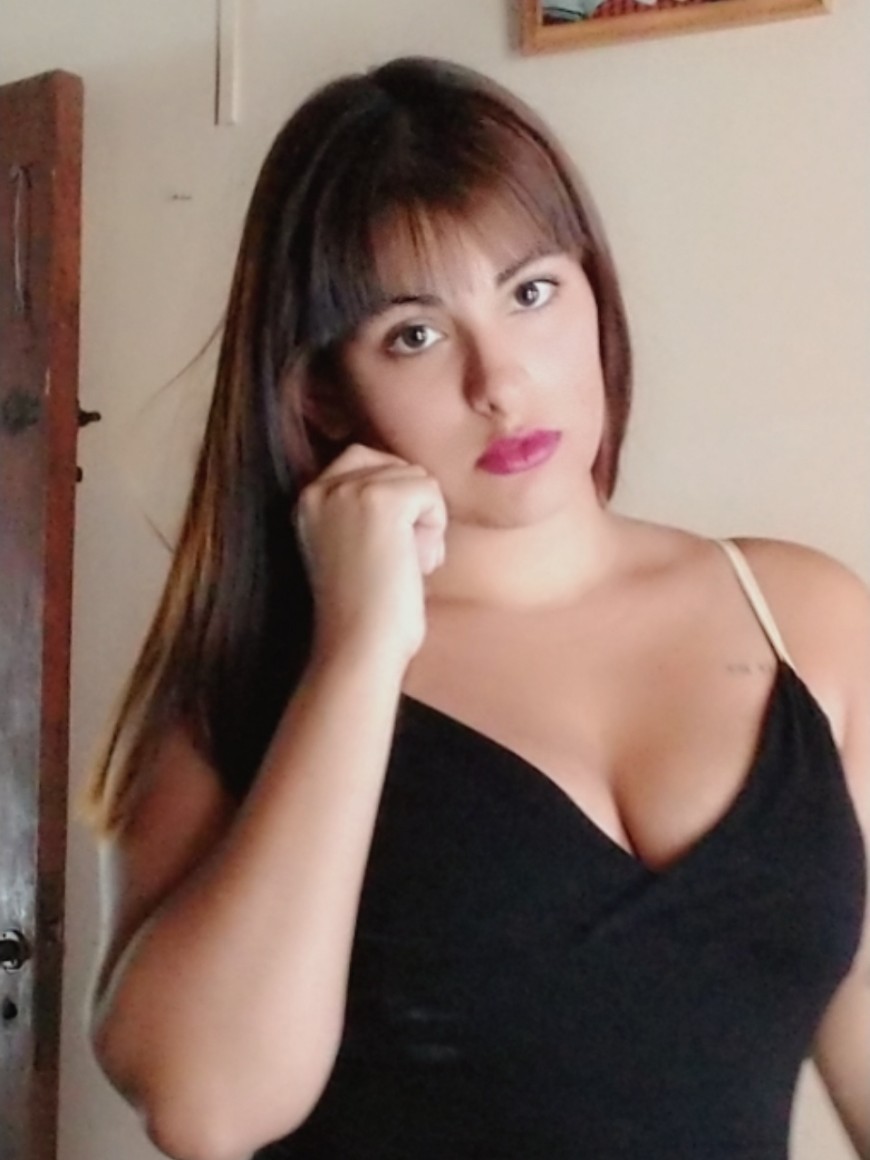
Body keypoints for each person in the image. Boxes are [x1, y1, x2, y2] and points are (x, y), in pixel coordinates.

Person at [83, 56, 869, 1160]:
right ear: (321, 389)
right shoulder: (246, 680)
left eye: (531, 292)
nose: (498, 381)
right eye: (414, 333)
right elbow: (205, 1108)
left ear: (593, 290)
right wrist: (359, 651)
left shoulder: (803, 618)